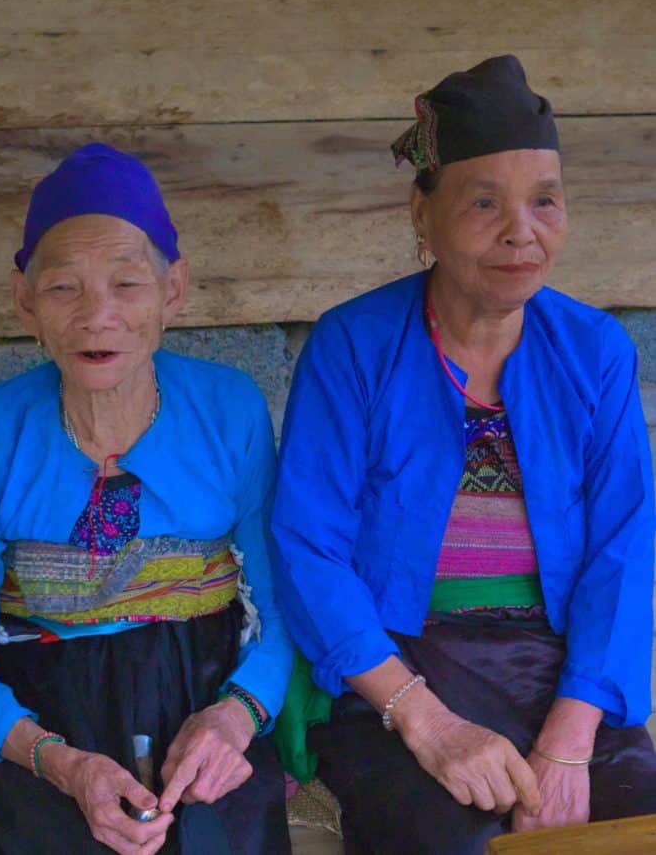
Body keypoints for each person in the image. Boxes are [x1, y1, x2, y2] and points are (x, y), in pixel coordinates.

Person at [271, 56, 656, 854]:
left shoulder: (593, 350)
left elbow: (625, 544)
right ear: (423, 214)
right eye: (484, 202)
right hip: (400, 665)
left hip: (550, 665)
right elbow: (308, 546)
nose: (521, 231)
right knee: (444, 837)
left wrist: (567, 741)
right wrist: (426, 722)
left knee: (628, 825)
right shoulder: (355, 344)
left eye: (543, 201)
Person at [0, 143, 294, 855]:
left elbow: (283, 607)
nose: (98, 315)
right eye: (64, 288)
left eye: (127, 284)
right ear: (24, 299)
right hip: (44, 707)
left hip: (203, 691)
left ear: (172, 291)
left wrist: (238, 716)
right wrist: (58, 763)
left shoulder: (229, 410)